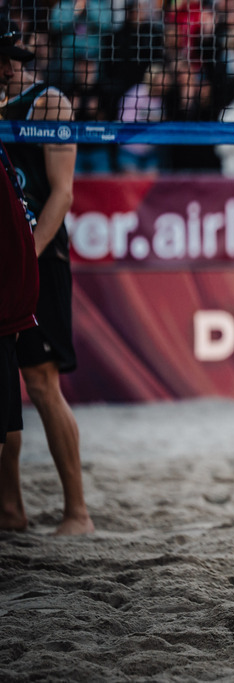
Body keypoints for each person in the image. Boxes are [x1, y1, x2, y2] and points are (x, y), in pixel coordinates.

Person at [0, 16, 93, 536]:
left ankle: (77, 512)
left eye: (13, 56)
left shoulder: (48, 102)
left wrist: (26, 256)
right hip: (6, 261)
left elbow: (62, 193)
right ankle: (10, 510)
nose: (10, 65)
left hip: (39, 259)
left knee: (41, 383)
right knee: (2, 390)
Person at [0, 136, 40, 533]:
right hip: (12, 306)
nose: (11, 68)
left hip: (12, 308)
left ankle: (11, 511)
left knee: (11, 417)